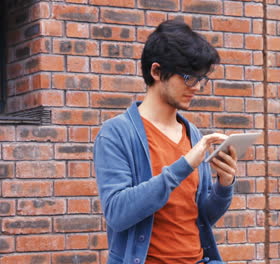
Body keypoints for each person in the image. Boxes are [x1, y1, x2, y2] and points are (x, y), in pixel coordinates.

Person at [93, 20, 238, 264]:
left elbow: (201, 218)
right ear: (156, 71)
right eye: (188, 77)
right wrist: (183, 166)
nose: (197, 87)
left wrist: (224, 185)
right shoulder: (116, 133)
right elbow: (117, 213)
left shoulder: (191, 133)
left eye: (201, 78)